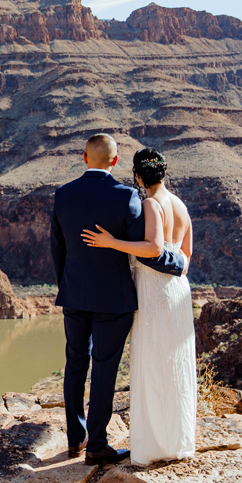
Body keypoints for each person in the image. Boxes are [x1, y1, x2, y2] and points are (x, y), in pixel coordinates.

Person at [49, 134, 186, 466]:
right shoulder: (126, 197)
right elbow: (147, 249)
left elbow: (58, 250)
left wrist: (67, 285)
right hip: (114, 299)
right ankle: (97, 445)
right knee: (104, 370)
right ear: (114, 162)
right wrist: (178, 263)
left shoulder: (63, 195)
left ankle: (75, 439)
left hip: (75, 295)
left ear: (84, 158)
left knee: (75, 364)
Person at [80, 147, 196, 466]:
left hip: (153, 289)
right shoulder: (181, 206)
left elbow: (152, 248)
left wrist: (112, 243)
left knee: (152, 363)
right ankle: (177, 440)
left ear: (139, 176)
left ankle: (154, 446)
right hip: (178, 291)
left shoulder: (149, 202)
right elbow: (185, 258)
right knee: (174, 363)